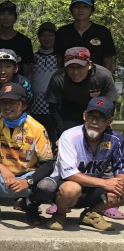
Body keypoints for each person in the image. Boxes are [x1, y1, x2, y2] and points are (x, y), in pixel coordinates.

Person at [0, 83, 56, 226]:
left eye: (12, 102)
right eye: (3, 102)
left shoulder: (37, 128)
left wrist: (27, 182)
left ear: (24, 105)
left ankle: (30, 205)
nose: (7, 106)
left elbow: (48, 164)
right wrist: (1, 167)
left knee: (48, 187)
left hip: (25, 178)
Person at [44, 97, 124, 231]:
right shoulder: (69, 136)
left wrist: (117, 188)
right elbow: (70, 174)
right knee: (71, 188)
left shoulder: (115, 139)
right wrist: (106, 184)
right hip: (66, 188)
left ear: (109, 121)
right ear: (84, 115)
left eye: (100, 118)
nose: (94, 122)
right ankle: (60, 214)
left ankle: (92, 213)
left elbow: (121, 170)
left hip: (94, 188)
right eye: (91, 116)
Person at [45, 47, 118, 136]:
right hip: (68, 115)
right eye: (71, 67)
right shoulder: (58, 78)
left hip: (96, 114)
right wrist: (60, 133)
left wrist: (105, 124)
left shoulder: (103, 76)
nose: (75, 72)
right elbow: (53, 108)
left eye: (80, 67)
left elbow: (111, 103)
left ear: (89, 65)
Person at [54, 0, 115, 72]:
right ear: (71, 10)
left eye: (85, 7)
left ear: (92, 10)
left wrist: (102, 81)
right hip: (69, 81)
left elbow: (108, 64)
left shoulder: (102, 32)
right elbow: (59, 62)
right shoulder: (62, 32)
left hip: (96, 81)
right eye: (77, 7)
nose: (80, 10)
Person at [30, 21, 59, 143]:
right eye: (43, 35)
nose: (46, 38)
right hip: (36, 106)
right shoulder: (33, 58)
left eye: (50, 35)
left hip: (54, 106)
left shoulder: (60, 58)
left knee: (54, 138)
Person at [0, 1, 34, 78]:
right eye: (2, 14)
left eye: (10, 14)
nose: (6, 17)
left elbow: (27, 67)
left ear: (15, 18)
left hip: (17, 85)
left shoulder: (24, 41)